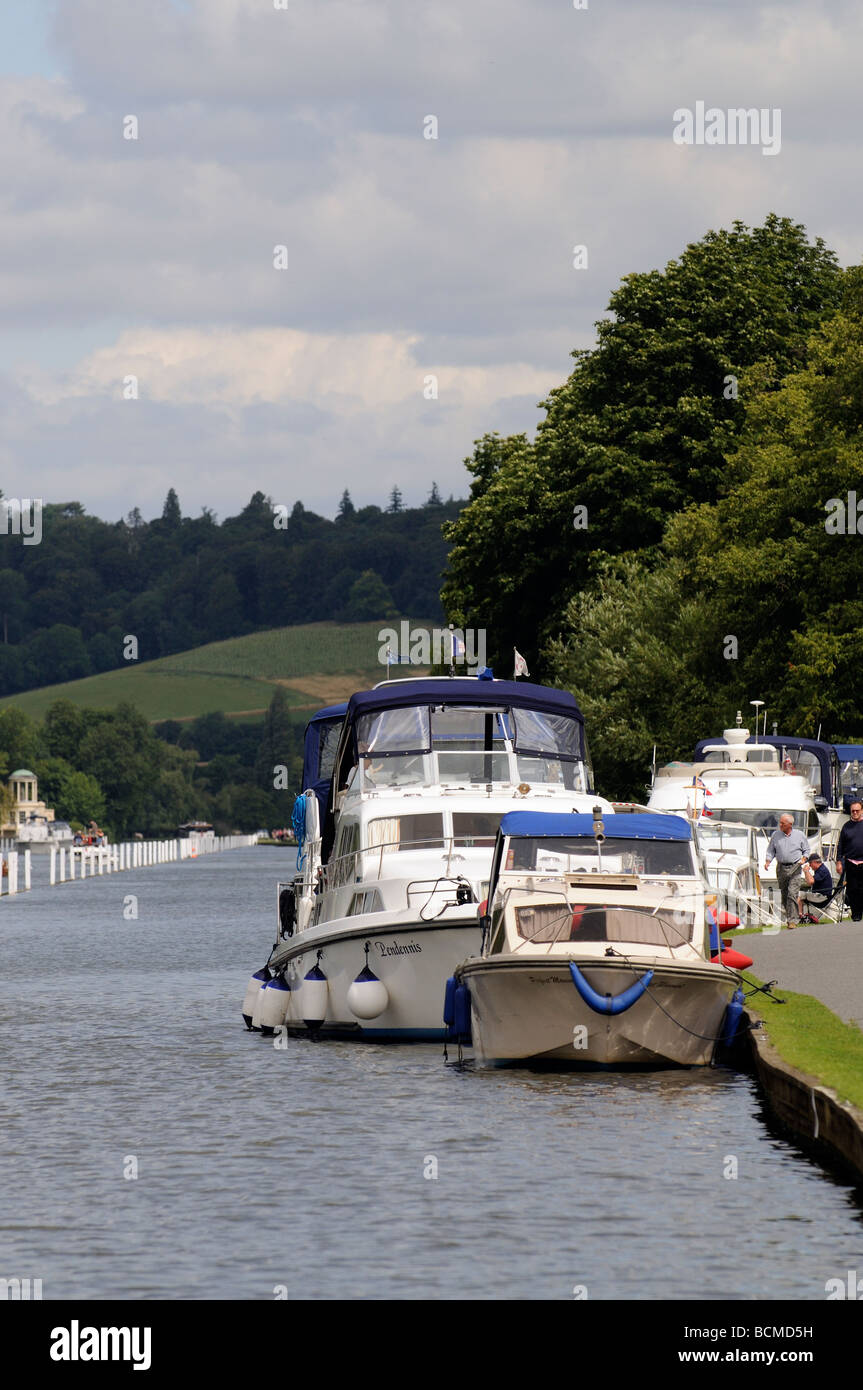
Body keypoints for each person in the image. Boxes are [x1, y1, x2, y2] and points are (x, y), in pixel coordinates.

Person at [764, 813, 809, 926]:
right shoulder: (776, 835)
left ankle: (793, 920)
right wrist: (768, 861)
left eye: (782, 823)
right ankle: (789, 917)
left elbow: (806, 850)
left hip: (795, 867)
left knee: (792, 893)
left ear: (790, 824)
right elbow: (771, 850)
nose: (780, 825)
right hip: (781, 867)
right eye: (780, 822)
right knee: (784, 894)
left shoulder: (799, 835)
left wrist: (804, 858)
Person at [836, 799, 863, 922]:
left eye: (857, 810)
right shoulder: (846, 827)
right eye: (853, 811)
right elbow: (840, 845)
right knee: (853, 890)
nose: (855, 813)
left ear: (861, 811)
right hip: (851, 863)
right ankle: (856, 914)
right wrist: (838, 862)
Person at [797, 853, 833, 924]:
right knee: (801, 896)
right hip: (822, 896)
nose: (810, 865)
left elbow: (810, 882)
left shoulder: (822, 870)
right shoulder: (821, 869)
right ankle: (801, 916)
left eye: (810, 863)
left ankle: (800, 917)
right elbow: (810, 882)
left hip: (822, 898)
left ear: (814, 862)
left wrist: (806, 871)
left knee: (798, 895)